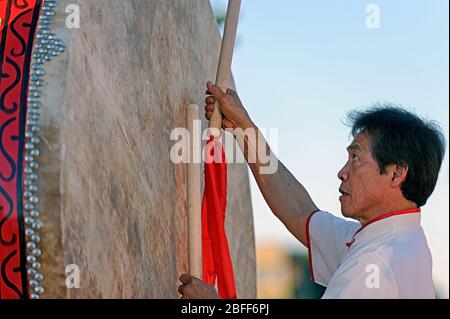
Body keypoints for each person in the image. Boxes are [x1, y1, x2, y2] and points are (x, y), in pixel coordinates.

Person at [178, 81, 446, 299]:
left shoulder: (371, 268)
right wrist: (243, 128)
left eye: (356, 158)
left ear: (396, 173)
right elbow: (299, 211)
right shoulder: (399, 239)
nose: (342, 172)